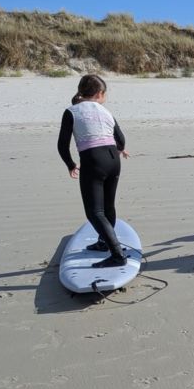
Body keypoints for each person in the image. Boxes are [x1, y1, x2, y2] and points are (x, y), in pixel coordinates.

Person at [57, 74, 131, 268]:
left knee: (94, 212)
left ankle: (117, 255)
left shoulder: (71, 111)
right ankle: (103, 243)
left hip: (93, 160)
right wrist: (120, 149)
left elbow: (62, 145)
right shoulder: (106, 111)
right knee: (108, 207)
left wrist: (70, 164)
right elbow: (121, 140)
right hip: (113, 160)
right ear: (100, 93)